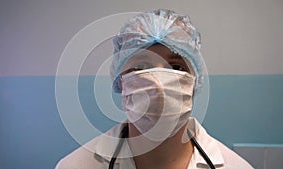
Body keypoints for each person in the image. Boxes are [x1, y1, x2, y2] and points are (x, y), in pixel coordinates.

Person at [55, 9, 254, 169]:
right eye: (141, 67)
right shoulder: (74, 165)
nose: (159, 84)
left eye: (176, 67)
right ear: (121, 82)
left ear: (194, 82)